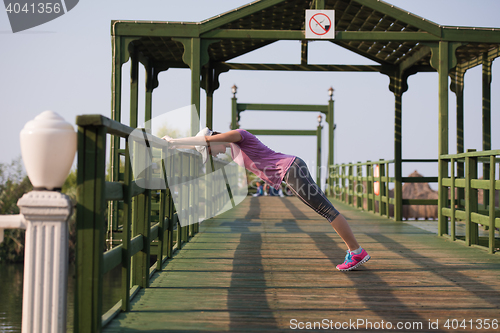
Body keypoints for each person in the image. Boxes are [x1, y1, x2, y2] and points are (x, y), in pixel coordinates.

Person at [162, 128, 370, 271]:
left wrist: (174, 141)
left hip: (291, 169)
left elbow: (206, 140)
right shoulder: (234, 150)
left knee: (327, 211)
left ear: (214, 139)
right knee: (326, 211)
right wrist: (176, 147)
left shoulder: (239, 135)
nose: (214, 155)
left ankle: (356, 251)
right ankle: (355, 251)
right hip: (290, 172)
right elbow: (204, 142)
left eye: (210, 152)